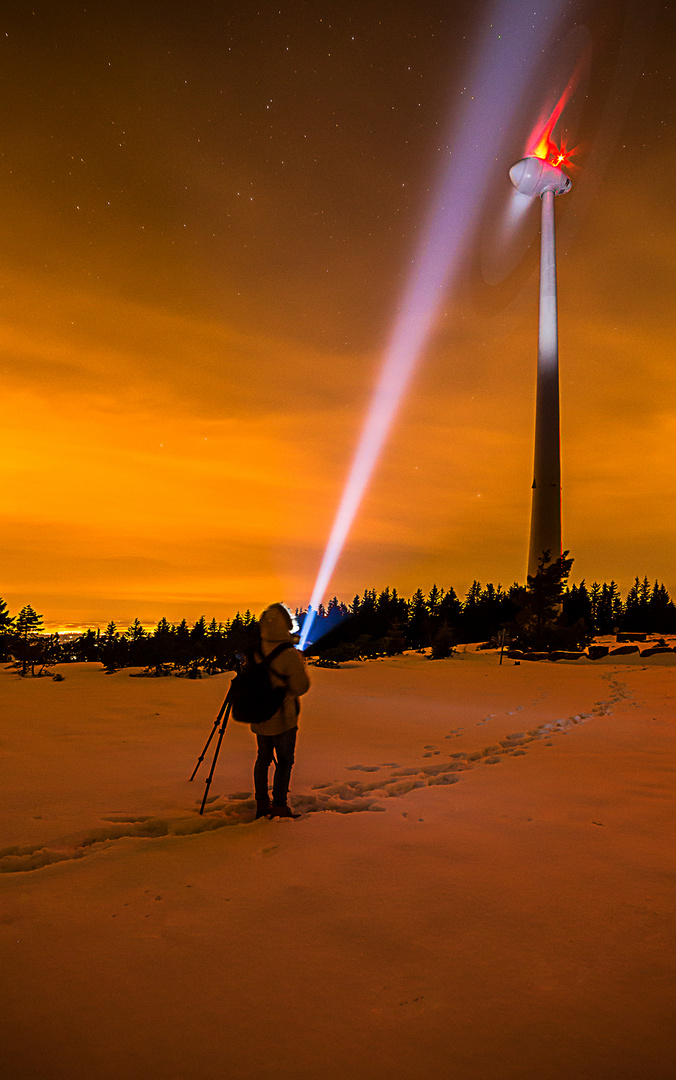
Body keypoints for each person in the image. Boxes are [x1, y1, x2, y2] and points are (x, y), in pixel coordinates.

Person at [250, 603, 310, 819]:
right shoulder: (288, 654)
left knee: (263, 758)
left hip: (259, 715)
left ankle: (261, 804)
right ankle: (279, 806)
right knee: (284, 761)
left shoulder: (256, 648)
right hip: (283, 718)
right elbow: (301, 687)